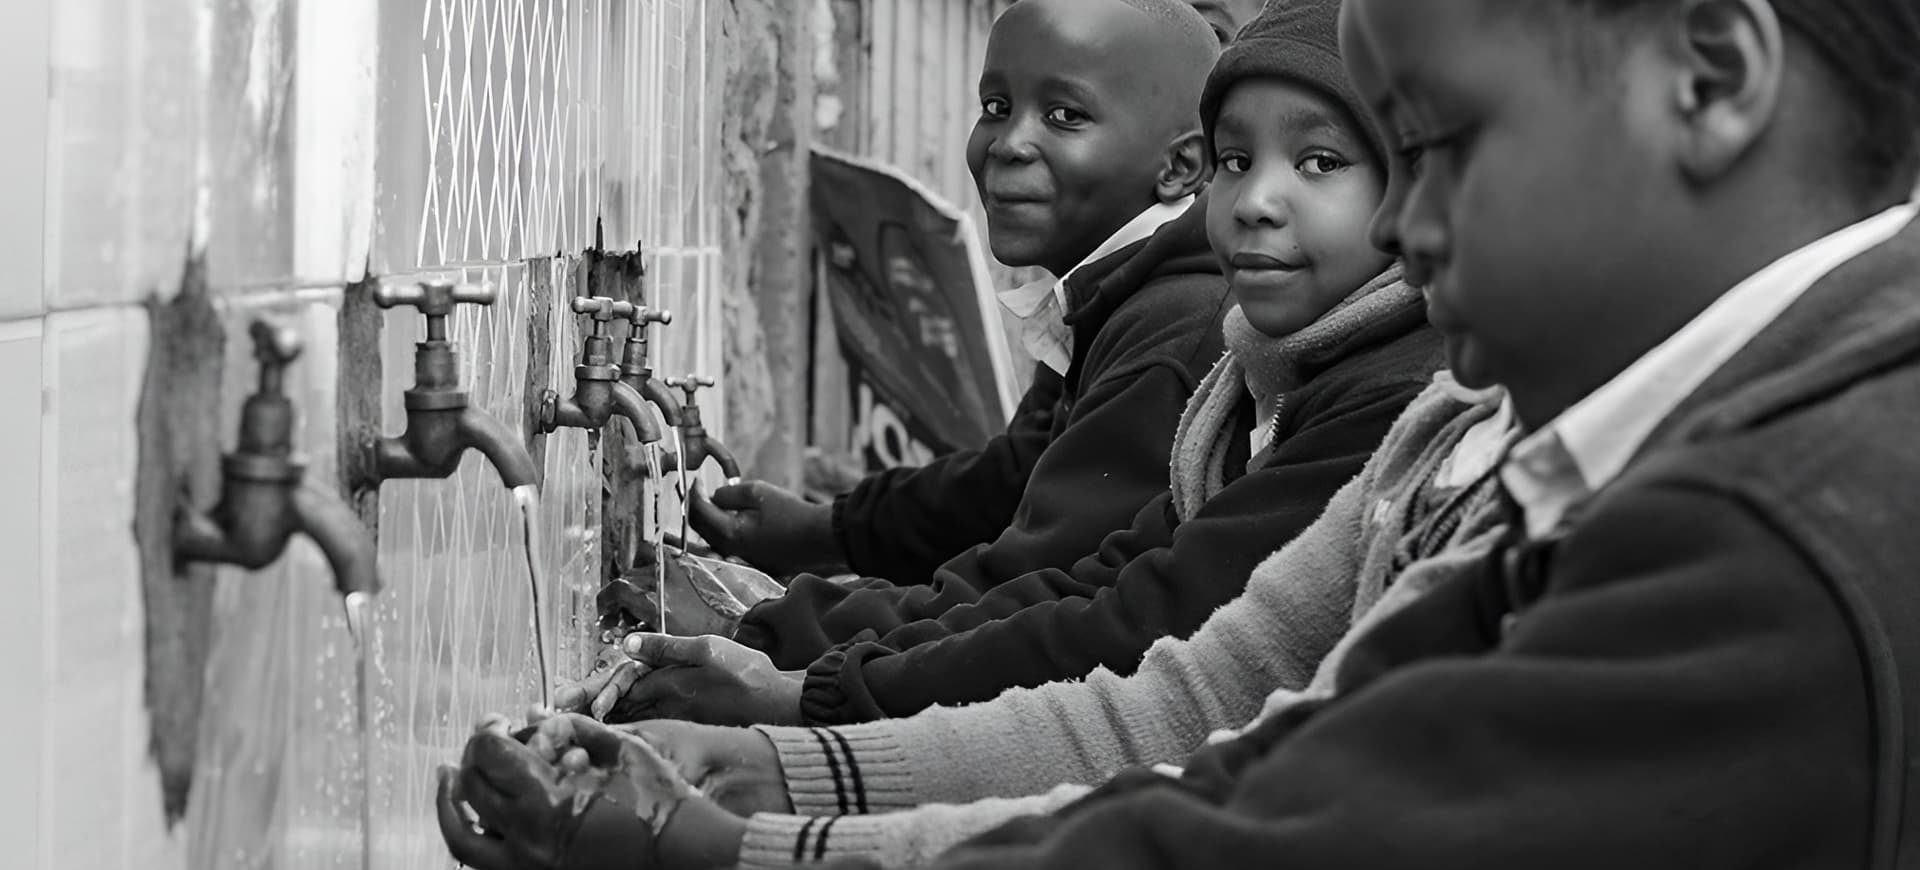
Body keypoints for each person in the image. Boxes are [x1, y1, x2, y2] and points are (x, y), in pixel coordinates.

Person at [444, 0, 1920, 865]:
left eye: (1439, 144)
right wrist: (793, 772)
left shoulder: (1768, 539)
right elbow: (1207, 713)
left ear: (1714, 80)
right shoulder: (1507, 425)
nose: (1399, 222)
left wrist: (743, 830)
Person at [572, 0, 1445, 730]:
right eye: (1237, 161)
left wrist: (786, 658)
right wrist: (815, 564)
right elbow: (1072, 553)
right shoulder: (1230, 366)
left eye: (1320, 162)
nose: (1010, 145)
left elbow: (1115, 630)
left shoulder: (1203, 343)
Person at [678, 0, 1228, 603]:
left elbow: (1031, 597)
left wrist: (755, 626)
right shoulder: (1103, 291)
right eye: (996, 107)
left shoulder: (1173, 334)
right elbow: (1012, 480)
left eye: (1065, 115)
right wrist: (825, 531)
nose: (1008, 144)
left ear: (1180, 165)